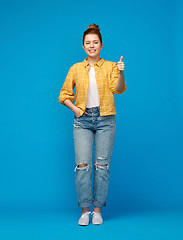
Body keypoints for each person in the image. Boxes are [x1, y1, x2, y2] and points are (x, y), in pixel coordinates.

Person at [58, 23, 127, 226]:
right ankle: (85, 210)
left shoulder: (111, 66)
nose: (91, 46)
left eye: (95, 42)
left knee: (102, 166)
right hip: (83, 121)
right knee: (83, 166)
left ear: (101, 45)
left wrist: (122, 72)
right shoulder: (76, 68)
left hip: (106, 119)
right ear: (83, 46)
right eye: (88, 43)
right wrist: (76, 109)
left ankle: (97, 210)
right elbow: (63, 95)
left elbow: (119, 89)